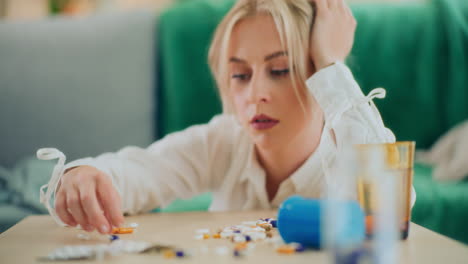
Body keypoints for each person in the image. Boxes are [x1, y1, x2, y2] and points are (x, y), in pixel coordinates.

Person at [45, 0, 407, 235]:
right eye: (240, 75)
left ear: (319, 79)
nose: (255, 94)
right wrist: (85, 176)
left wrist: (331, 63)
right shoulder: (224, 140)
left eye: (279, 69)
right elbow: (141, 170)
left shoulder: (346, 152)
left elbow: (388, 210)